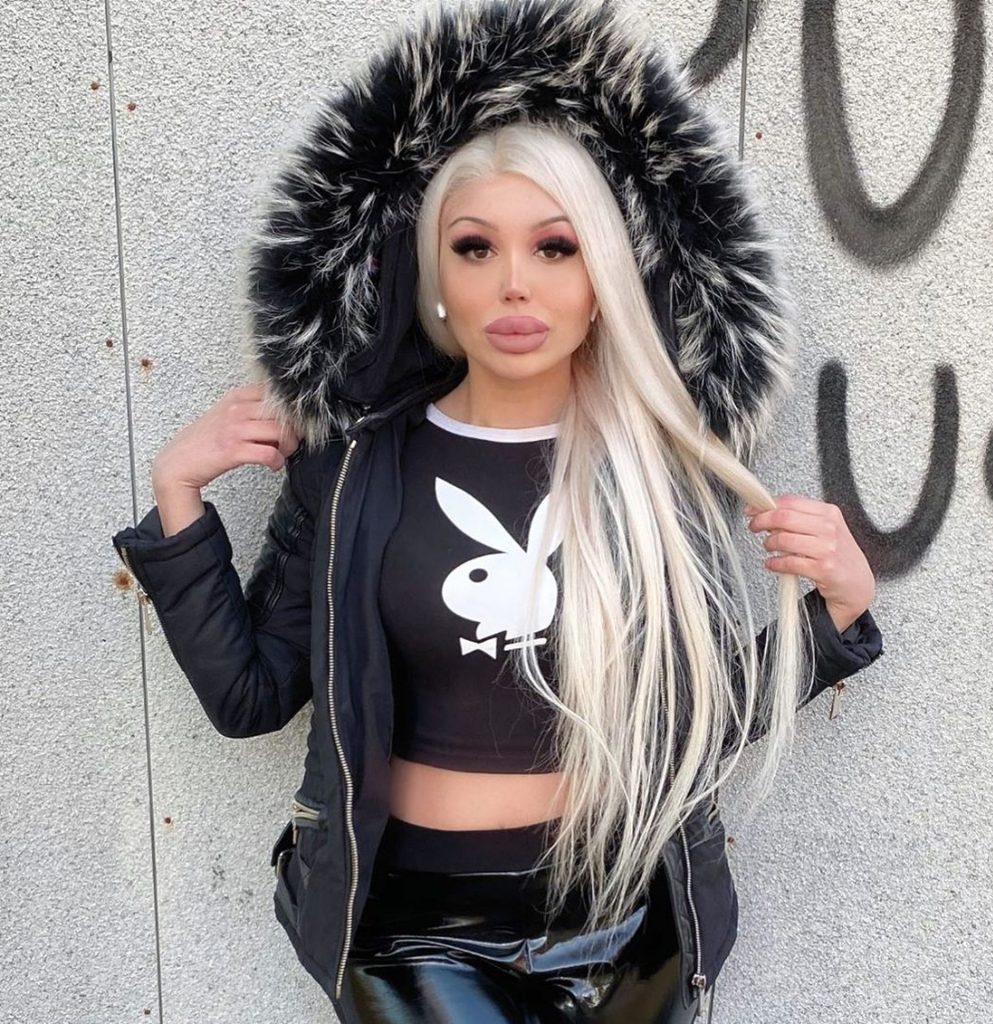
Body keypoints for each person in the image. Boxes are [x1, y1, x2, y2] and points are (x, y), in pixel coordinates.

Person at [112, 0, 885, 1021]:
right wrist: (179, 498)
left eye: (555, 248)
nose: (514, 284)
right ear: (434, 279)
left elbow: (691, 718)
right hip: (410, 934)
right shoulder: (356, 468)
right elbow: (250, 695)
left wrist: (835, 616)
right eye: (475, 248)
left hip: (626, 922)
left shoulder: (656, 471)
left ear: (602, 279)